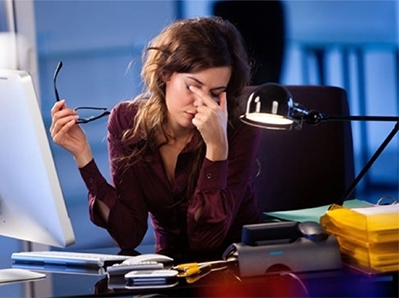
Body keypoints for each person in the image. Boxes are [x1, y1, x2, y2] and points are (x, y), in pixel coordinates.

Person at [50, 16, 262, 262]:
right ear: (165, 74)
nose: (201, 104)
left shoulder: (240, 128)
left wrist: (217, 148)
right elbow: (128, 235)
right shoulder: (127, 122)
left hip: (235, 267)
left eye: (215, 94)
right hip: (168, 270)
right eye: (192, 87)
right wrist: (83, 155)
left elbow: (206, 241)